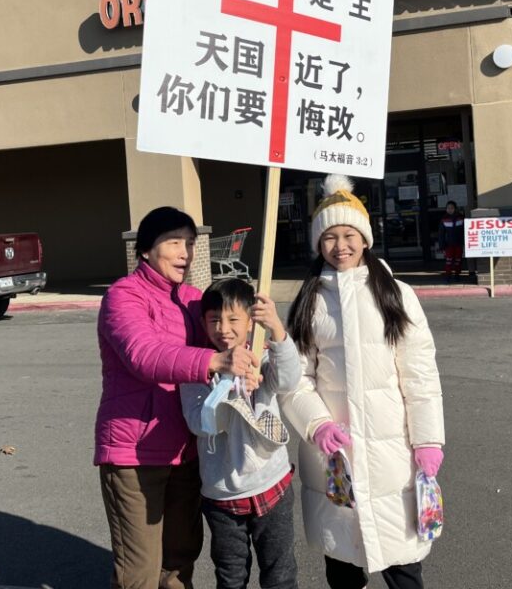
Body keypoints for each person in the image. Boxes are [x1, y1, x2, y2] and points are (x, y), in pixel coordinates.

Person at [281, 174, 445, 589]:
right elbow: (294, 379)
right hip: (336, 455)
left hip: (393, 453)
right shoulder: (309, 301)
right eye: (330, 236)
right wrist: (317, 424)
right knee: (343, 562)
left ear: (366, 238)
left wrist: (427, 440)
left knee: (403, 564)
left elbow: (420, 373)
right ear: (318, 243)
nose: (341, 246)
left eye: (349, 234)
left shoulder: (396, 294)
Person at [95, 206, 259, 589]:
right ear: (147, 250)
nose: (185, 252)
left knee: (179, 561)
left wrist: (249, 328)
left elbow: (225, 339)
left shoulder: (193, 299)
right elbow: (144, 355)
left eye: (189, 243)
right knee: (140, 571)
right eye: (174, 243)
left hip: (187, 450)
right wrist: (217, 359)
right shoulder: (124, 296)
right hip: (134, 452)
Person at [180, 279, 301, 589]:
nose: (224, 328)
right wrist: (227, 386)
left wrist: (276, 329)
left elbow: (288, 380)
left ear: (250, 321)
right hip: (223, 494)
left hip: (271, 484)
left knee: (280, 572)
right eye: (214, 319)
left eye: (234, 319)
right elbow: (202, 422)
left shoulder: (262, 355)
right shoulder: (197, 368)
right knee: (231, 575)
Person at [437, 200, 465, 282]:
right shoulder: (444, 219)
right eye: (448, 208)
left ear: (455, 209)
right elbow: (441, 234)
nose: (450, 209)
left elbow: (464, 231)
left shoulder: (461, 218)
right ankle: (448, 275)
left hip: (459, 243)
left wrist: (465, 242)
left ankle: (457, 275)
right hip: (448, 244)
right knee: (448, 261)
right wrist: (441, 246)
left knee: (458, 260)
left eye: (452, 208)